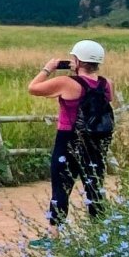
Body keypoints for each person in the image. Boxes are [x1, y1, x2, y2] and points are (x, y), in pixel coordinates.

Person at [27, 40, 115, 244]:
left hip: (68, 139)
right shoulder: (106, 83)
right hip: (96, 141)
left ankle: (54, 234)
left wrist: (48, 68)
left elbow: (33, 88)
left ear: (78, 60)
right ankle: (99, 234)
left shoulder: (67, 83)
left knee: (62, 186)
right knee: (94, 184)